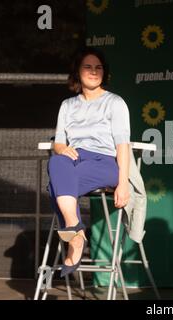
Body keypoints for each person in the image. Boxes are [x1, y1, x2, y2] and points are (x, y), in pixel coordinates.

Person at [47, 47, 131, 277]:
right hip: (74, 159)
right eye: (88, 67)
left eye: (98, 67)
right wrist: (63, 148)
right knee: (56, 163)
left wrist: (123, 183)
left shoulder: (115, 102)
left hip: (103, 162)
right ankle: (77, 231)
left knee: (55, 186)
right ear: (77, 71)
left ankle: (73, 234)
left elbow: (123, 145)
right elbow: (59, 142)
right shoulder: (67, 105)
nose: (93, 71)